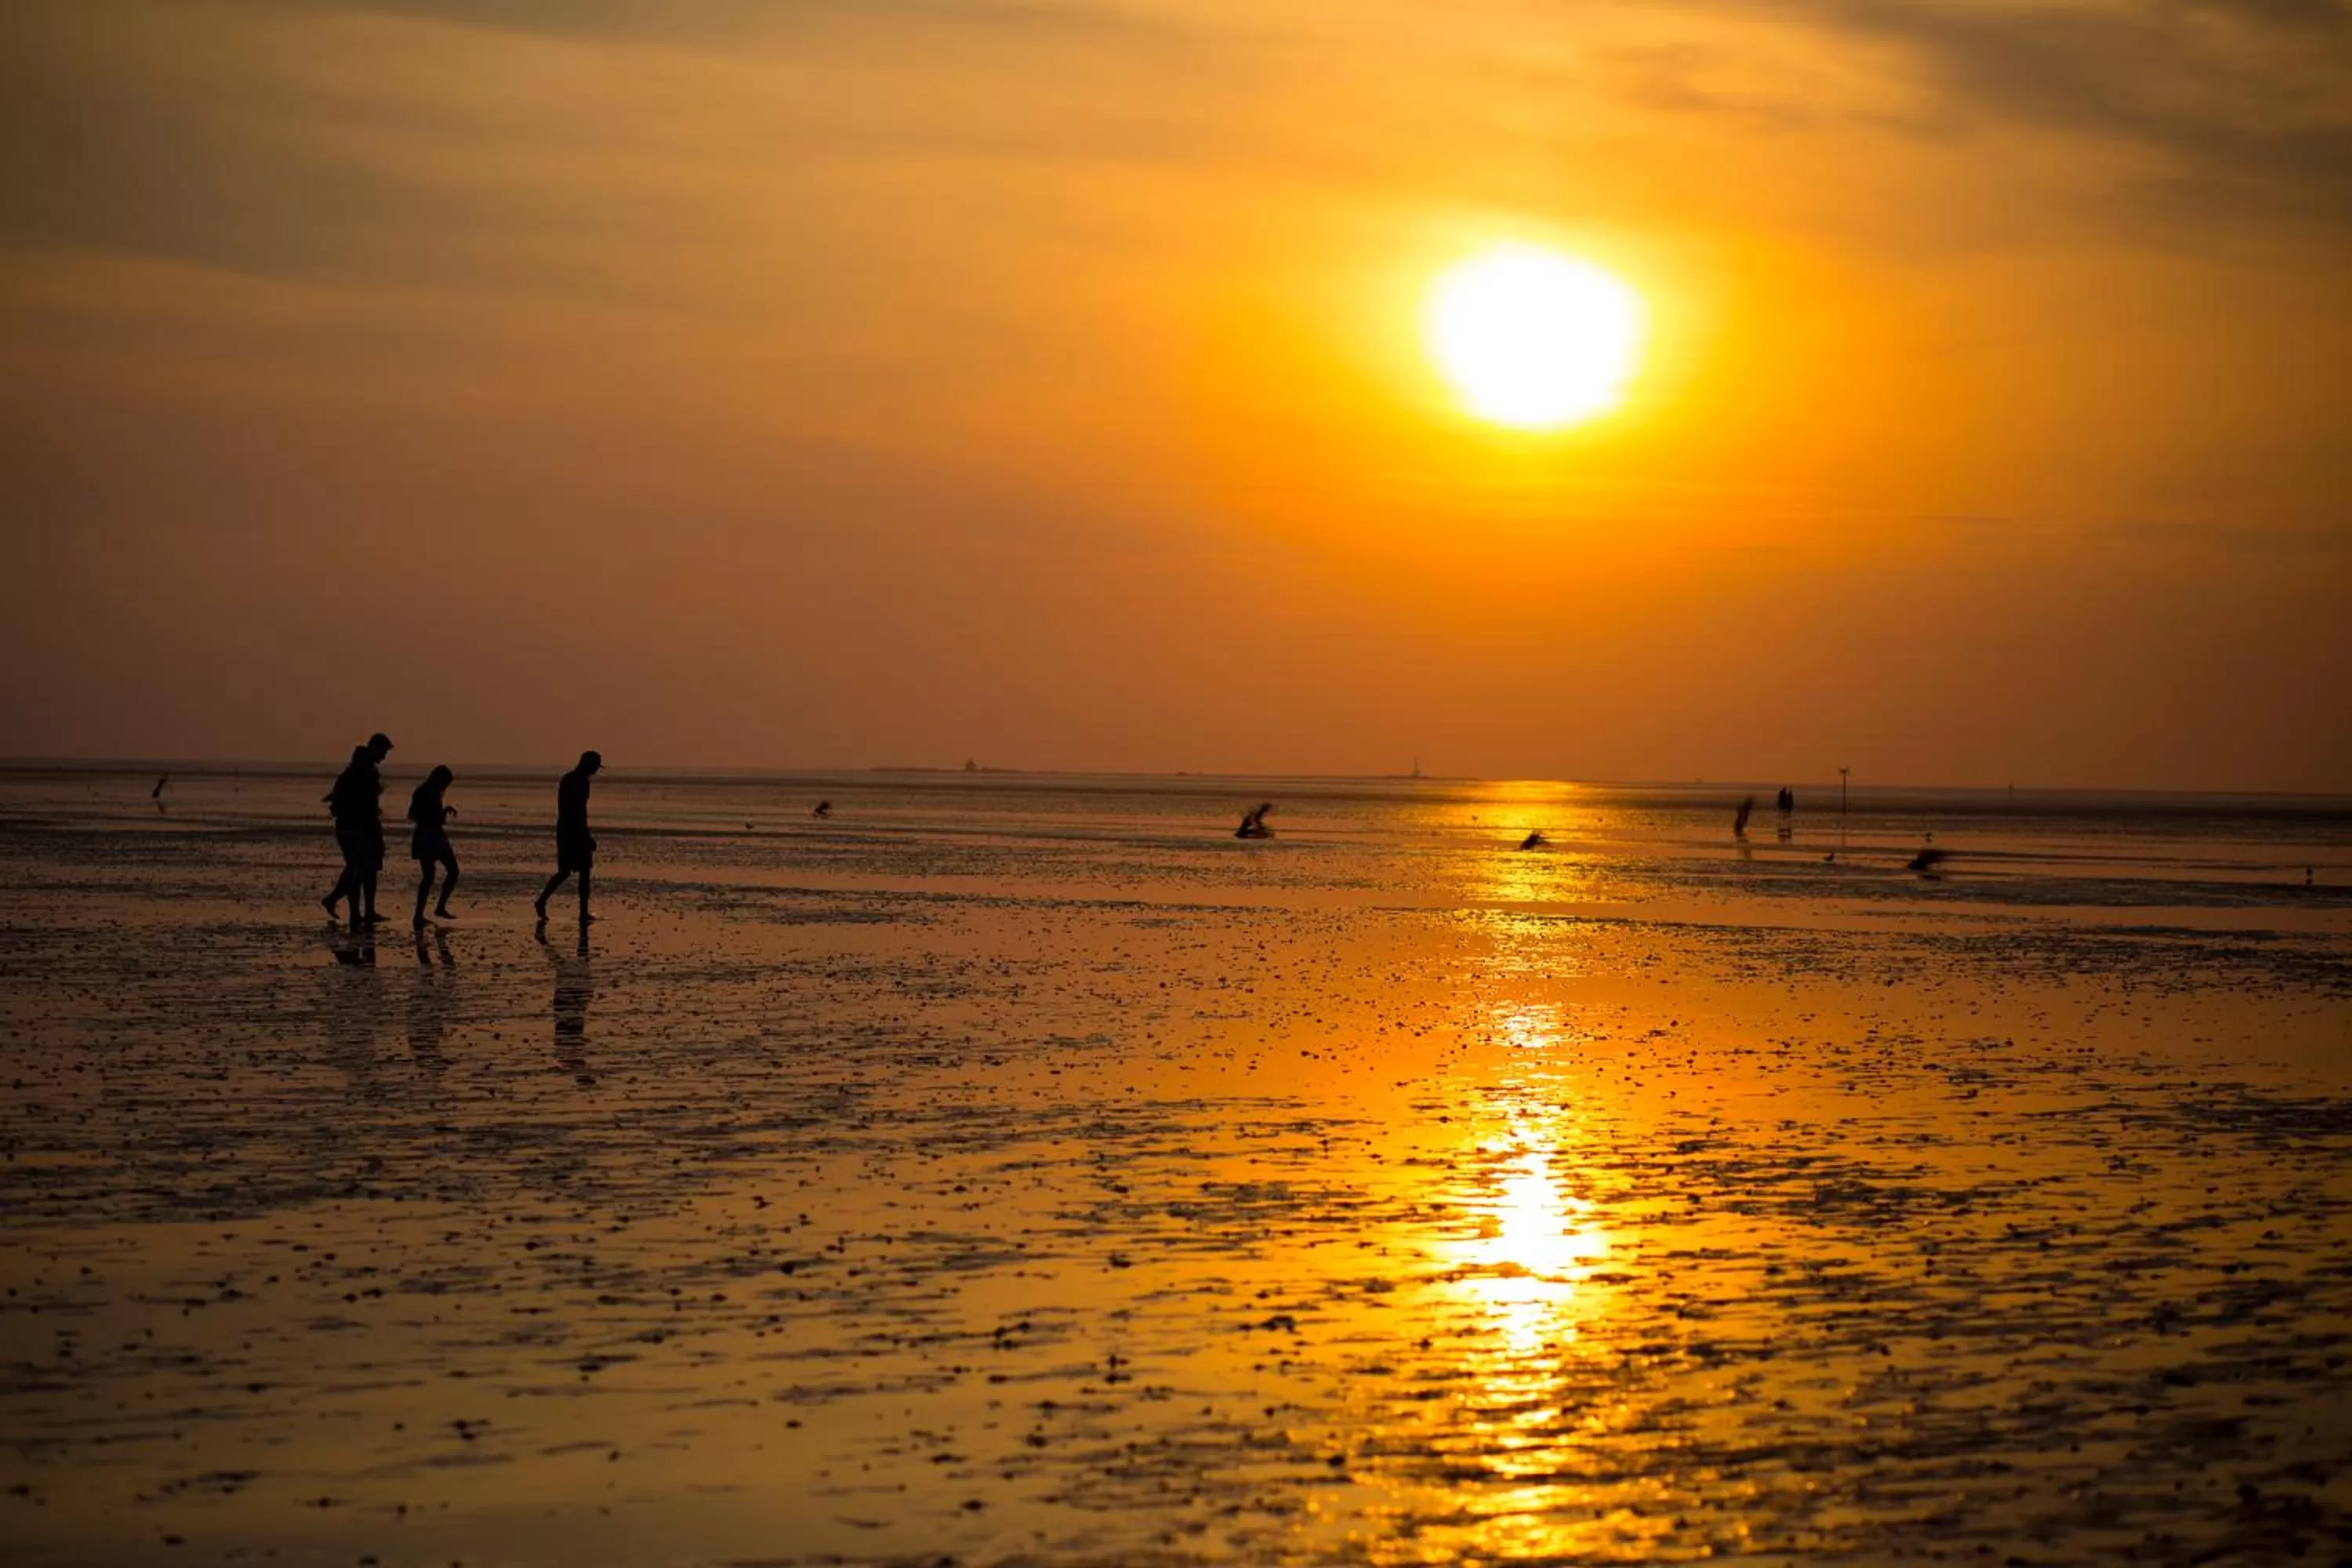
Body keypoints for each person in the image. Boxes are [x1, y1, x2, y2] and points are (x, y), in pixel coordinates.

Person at [321, 733, 393, 924]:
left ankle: (363, 911)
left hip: (358, 826)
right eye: (384, 751)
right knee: (359, 870)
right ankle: (349, 908)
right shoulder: (361, 771)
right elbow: (363, 800)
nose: (384, 756)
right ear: (376, 748)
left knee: (364, 869)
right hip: (358, 827)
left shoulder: (359, 769)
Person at [535, 750, 603, 923]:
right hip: (573, 831)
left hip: (564, 830)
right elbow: (579, 811)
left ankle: (543, 901)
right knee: (582, 872)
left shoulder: (568, 779)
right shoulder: (580, 783)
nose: (596, 771)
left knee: (565, 872)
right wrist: (586, 836)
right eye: (595, 767)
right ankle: (581, 912)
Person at [408, 765, 460, 926]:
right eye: (445, 783)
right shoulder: (426, 791)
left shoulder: (429, 791)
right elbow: (414, 814)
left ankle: (431, 911)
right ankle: (428, 912)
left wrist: (442, 812)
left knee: (436, 875)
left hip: (431, 835)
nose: (445, 787)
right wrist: (439, 814)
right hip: (429, 836)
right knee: (446, 872)